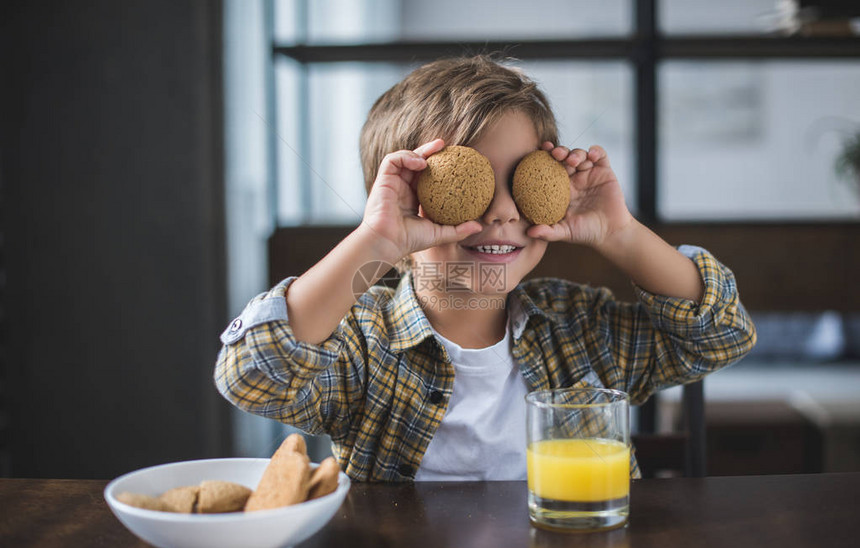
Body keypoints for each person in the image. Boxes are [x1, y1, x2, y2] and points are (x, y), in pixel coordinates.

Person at [214, 55, 756, 482]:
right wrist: (375, 242)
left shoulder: (582, 330)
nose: (501, 211)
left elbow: (722, 335)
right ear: (400, 198)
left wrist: (622, 234)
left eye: (523, 180)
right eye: (466, 183)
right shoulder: (359, 343)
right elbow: (252, 376)